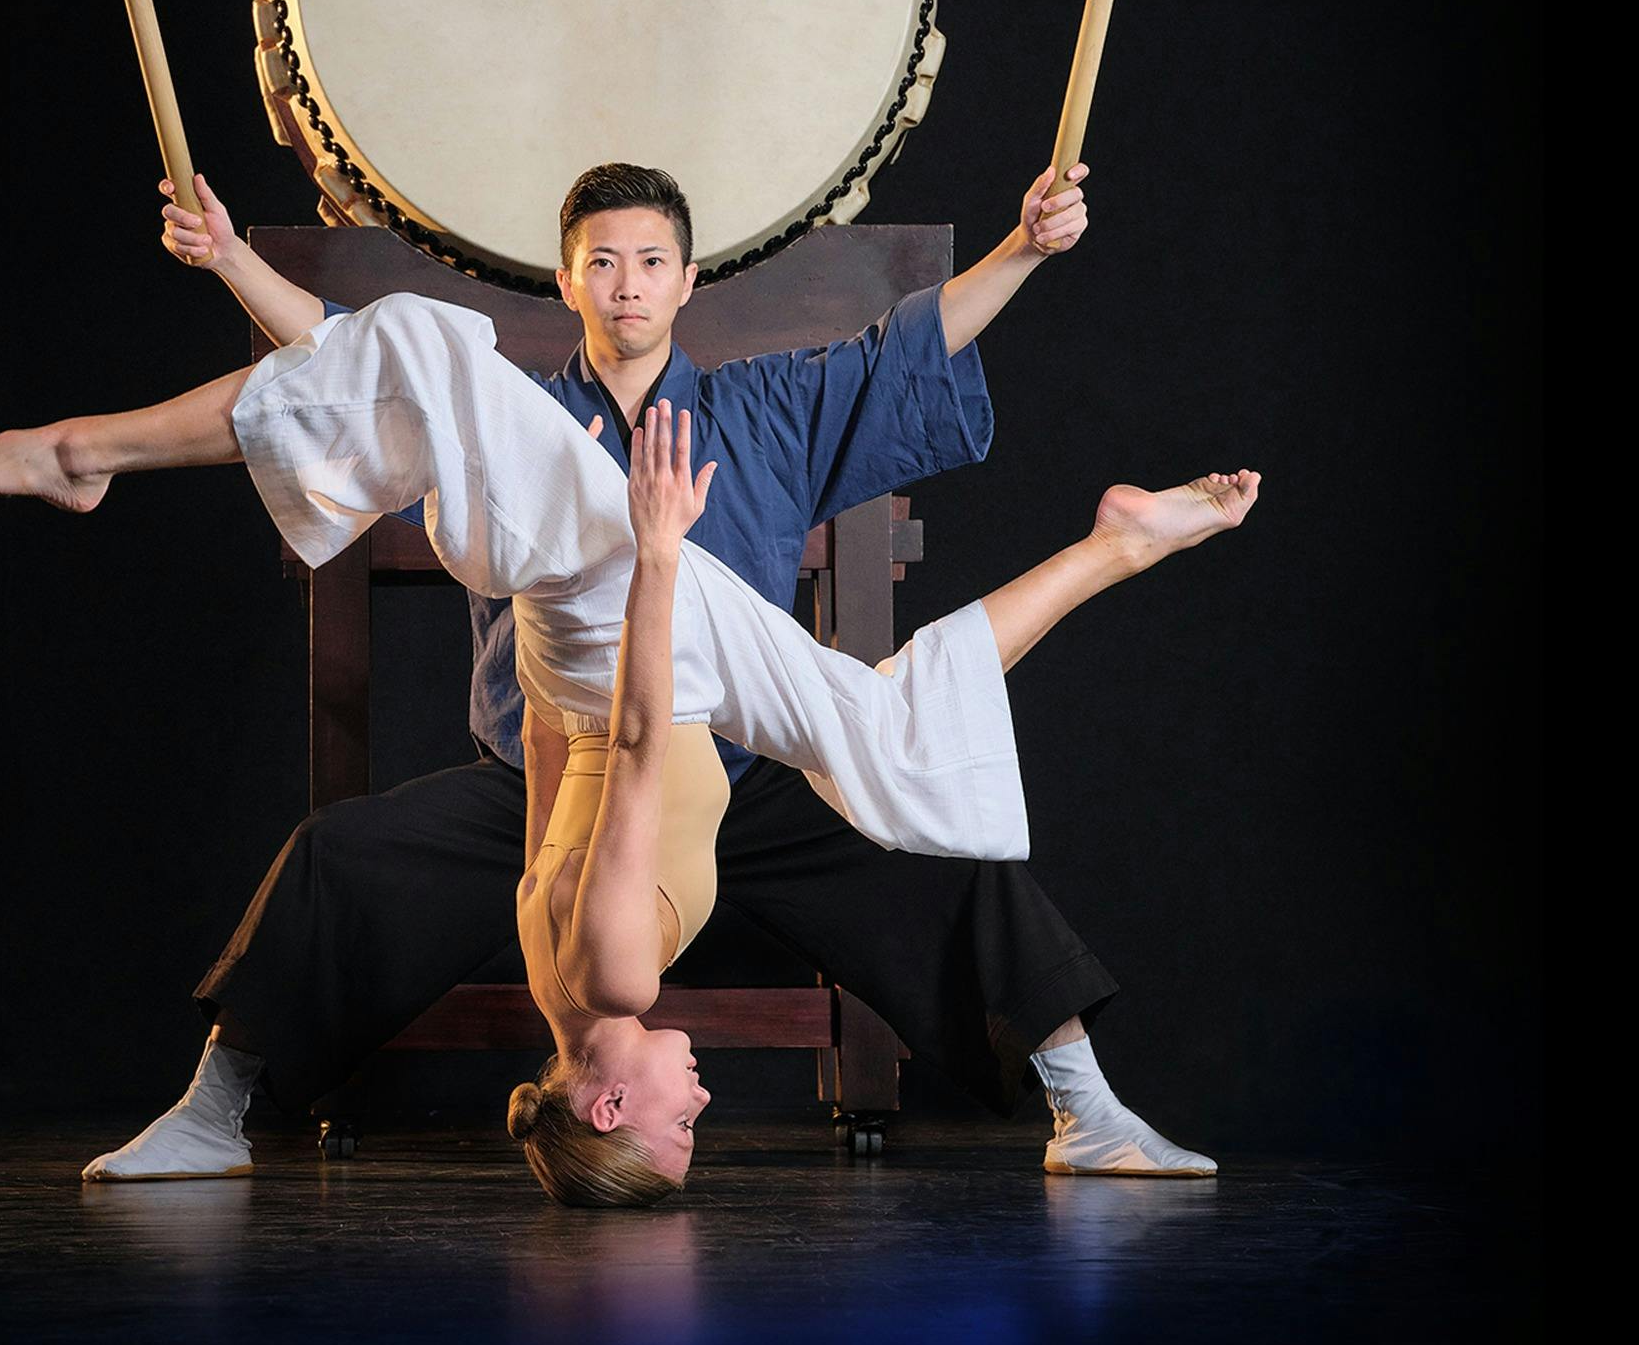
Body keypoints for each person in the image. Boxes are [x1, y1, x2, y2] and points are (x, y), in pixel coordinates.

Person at [0, 163, 1238, 1181]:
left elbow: (900, 351)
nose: (625, 281)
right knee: (345, 853)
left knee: (926, 814)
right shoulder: (533, 412)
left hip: (729, 759)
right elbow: (358, 367)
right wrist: (230, 266)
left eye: (649, 260)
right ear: (566, 278)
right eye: (600, 261)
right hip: (560, 755)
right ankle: (214, 1113)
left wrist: (1024, 246)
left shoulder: (768, 403)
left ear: (686, 279)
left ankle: (1090, 1110)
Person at [498, 393, 1254, 1204]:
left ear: (608, 1107)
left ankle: (1120, 545)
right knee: (899, 739)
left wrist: (653, 551)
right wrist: (546, 562)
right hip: (593, 646)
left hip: (648, 646)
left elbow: (637, 742)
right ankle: (1118, 545)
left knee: (903, 746)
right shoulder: (549, 974)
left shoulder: (617, 983)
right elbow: (546, 748)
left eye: (681, 1125)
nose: (701, 1102)